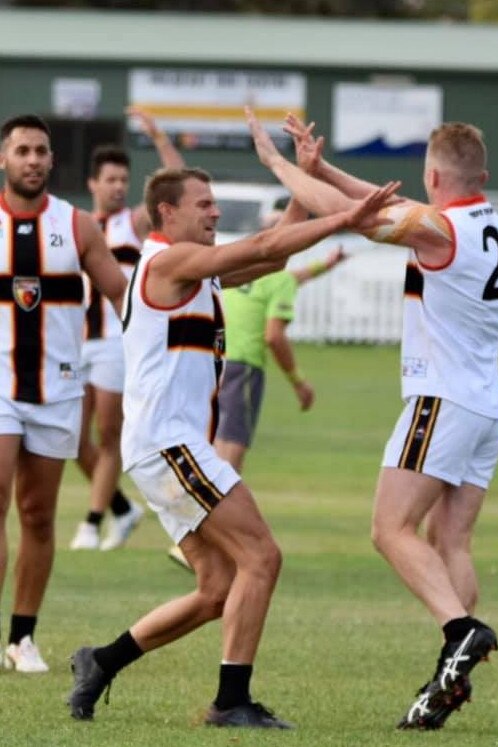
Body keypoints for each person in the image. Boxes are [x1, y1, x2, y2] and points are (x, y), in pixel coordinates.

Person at [67, 165, 399, 727]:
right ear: (167, 213)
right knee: (262, 557)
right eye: (204, 204)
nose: (215, 212)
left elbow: (271, 257)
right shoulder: (168, 262)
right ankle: (231, 702)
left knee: (218, 587)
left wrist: (301, 182)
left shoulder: (196, 271)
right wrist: (346, 217)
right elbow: (267, 242)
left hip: (166, 448)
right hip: (168, 446)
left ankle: (100, 661)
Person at [246, 108, 498, 729]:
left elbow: (362, 218)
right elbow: (385, 204)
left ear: (432, 175)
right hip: (486, 407)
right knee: (452, 542)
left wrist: (280, 166)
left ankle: (460, 633)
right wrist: (323, 167)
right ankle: (447, 678)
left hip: (440, 401)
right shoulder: (478, 220)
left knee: (390, 529)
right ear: (480, 175)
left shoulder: (438, 231)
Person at [0, 114, 127, 672]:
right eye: (22, 150)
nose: (32, 159)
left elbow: (126, 297)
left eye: (40, 151)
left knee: (38, 515)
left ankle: (21, 637)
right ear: (4, 159)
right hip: (0, 386)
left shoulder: (77, 227)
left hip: (57, 390)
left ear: (52, 161)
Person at [167, 242, 347, 567]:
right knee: (229, 458)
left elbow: (294, 276)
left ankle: (195, 534)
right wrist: (298, 381)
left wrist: (327, 264)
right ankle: (194, 540)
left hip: (212, 362)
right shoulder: (280, 280)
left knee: (211, 450)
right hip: (244, 369)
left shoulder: (245, 272)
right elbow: (274, 336)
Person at [70, 107, 185, 551]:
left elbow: (178, 178)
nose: (118, 187)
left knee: (107, 433)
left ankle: (91, 521)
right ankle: (122, 508)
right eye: (110, 180)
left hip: (117, 342)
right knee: (72, 439)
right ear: (93, 185)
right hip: (75, 340)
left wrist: (158, 136)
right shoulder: (76, 224)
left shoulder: (133, 223)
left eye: (123, 180)